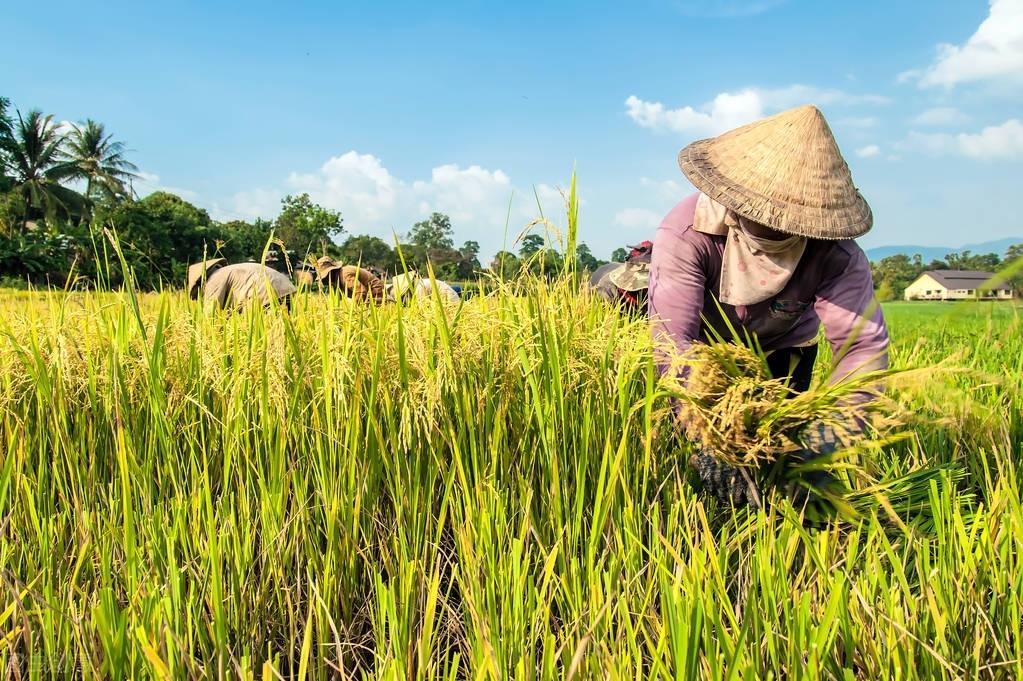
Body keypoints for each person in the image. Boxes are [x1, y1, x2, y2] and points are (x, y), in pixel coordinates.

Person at [648, 104, 889, 507]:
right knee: (707, 473)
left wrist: (827, 436)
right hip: (705, 355)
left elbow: (862, 348)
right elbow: (673, 339)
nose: (778, 226)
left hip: (784, 348)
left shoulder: (835, 254)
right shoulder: (690, 232)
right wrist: (708, 430)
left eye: (792, 222)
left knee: (779, 461)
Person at [187, 258, 297, 310]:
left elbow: (212, 315)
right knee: (282, 331)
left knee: (261, 334)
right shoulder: (227, 270)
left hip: (265, 294)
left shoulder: (213, 280)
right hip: (286, 288)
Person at [315, 256, 386, 302]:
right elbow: (337, 299)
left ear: (331, 272)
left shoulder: (345, 275)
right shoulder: (337, 280)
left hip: (376, 293)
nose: (324, 280)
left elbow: (361, 292)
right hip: (368, 296)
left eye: (325, 277)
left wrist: (353, 311)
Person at [387, 271, 460, 304]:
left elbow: (423, 309)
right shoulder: (420, 283)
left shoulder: (420, 288)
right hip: (445, 301)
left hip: (449, 303)